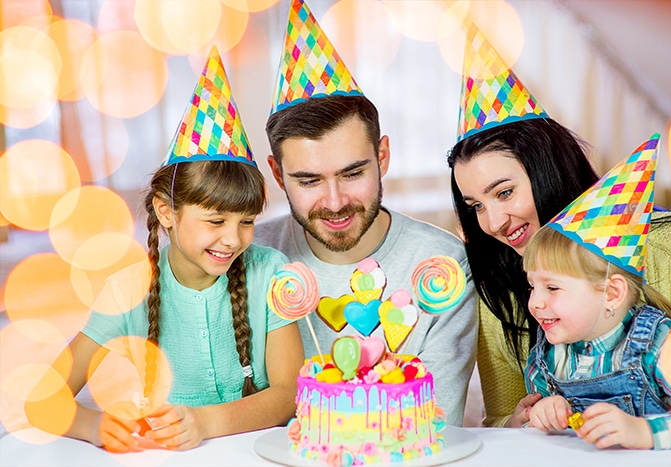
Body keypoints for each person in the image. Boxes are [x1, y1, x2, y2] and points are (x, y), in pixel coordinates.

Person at [25, 47, 304, 452]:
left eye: (246, 222)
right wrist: (94, 427)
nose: (233, 239)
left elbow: (289, 395)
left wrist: (206, 422)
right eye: (215, 220)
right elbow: (42, 400)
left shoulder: (270, 274)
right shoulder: (128, 291)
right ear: (166, 212)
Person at [447, 23, 671, 428]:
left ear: (548, 170)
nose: (492, 223)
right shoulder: (498, 285)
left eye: (505, 193)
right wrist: (520, 421)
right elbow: (500, 417)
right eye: (475, 205)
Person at [255, 0, 478, 426]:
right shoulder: (249, 258)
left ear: (383, 156)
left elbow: (433, 424)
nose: (335, 201)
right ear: (278, 176)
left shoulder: (443, 266)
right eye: (308, 180)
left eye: (353, 172)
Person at [522, 135, 671, 450]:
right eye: (532, 286)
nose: (535, 303)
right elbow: (528, 428)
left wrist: (643, 432)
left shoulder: (661, 345)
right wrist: (541, 413)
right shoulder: (548, 356)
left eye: (552, 287)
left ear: (612, 293)